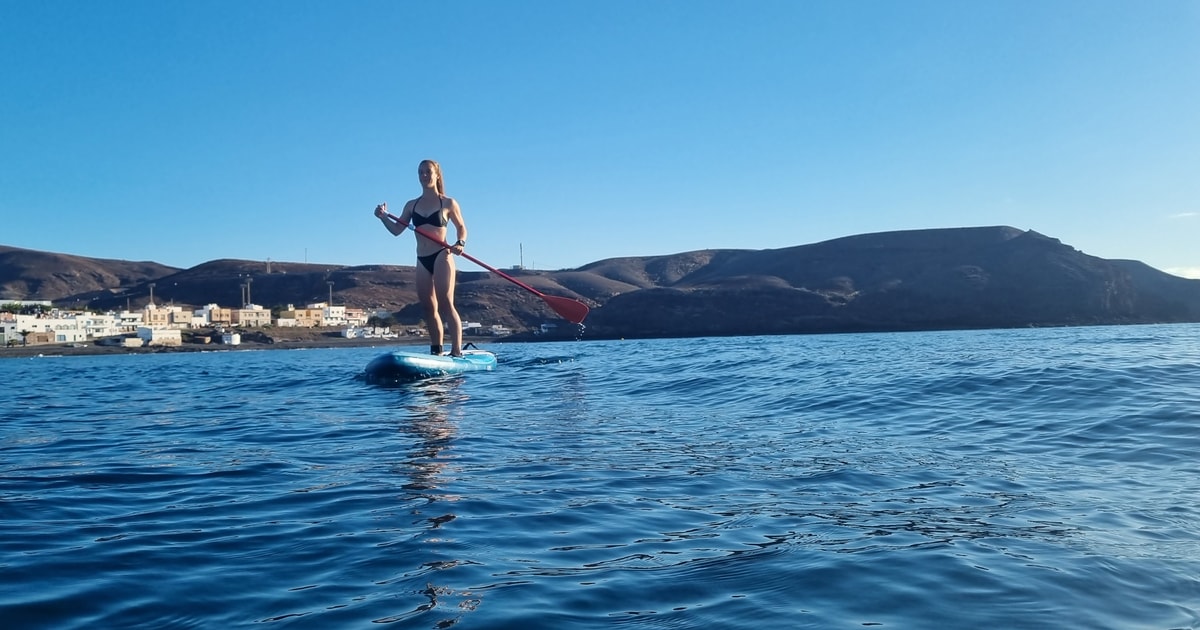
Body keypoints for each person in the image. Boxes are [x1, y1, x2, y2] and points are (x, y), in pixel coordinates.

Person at [374, 159, 468, 356]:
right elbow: (397, 230)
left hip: (442, 254)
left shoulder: (448, 203)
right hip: (422, 258)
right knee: (428, 306)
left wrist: (460, 243)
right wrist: (383, 217)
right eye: (420, 172)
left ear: (437, 175)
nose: (424, 175)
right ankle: (437, 350)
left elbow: (461, 228)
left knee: (445, 302)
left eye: (428, 172)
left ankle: (457, 351)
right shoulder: (411, 205)